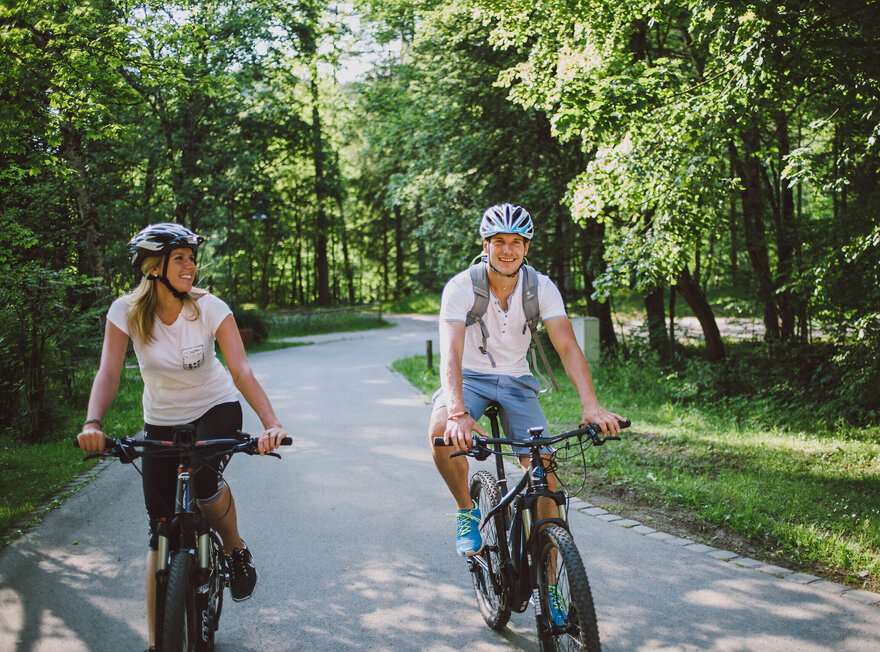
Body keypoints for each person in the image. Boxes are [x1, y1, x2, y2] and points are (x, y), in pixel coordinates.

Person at [76, 223, 288, 652]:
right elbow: (109, 372)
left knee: (205, 486)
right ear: (154, 268)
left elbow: (242, 371)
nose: (190, 266)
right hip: (162, 422)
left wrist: (271, 424)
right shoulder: (125, 312)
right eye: (180, 258)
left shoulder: (209, 307)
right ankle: (160, 640)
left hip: (217, 408)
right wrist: (93, 424)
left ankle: (233, 550)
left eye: (192, 258)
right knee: (159, 527)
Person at [429, 203, 625, 557]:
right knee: (441, 431)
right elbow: (451, 353)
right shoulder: (461, 288)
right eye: (499, 241)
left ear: (527, 247)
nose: (507, 250)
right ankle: (466, 511)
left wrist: (591, 405)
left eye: (516, 242)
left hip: (518, 380)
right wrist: (457, 412)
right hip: (470, 376)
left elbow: (567, 346)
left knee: (545, 479)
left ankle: (551, 586)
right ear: (485, 244)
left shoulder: (541, 287)